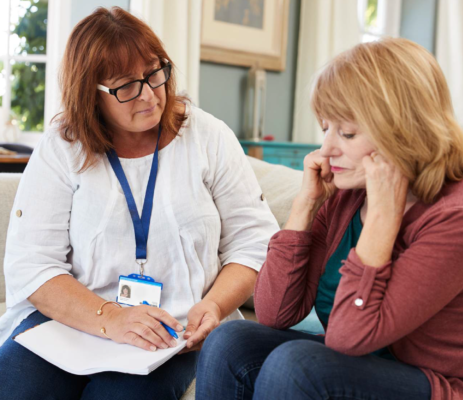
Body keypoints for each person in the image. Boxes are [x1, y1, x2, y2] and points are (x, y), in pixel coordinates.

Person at [0, 6, 278, 400]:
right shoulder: (62, 147)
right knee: (14, 386)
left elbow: (255, 243)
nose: (149, 95)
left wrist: (214, 305)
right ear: (90, 95)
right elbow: (32, 264)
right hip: (72, 324)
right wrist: (111, 318)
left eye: (154, 73)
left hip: (174, 329)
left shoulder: (208, 137)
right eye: (126, 86)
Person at [196, 38, 463, 400]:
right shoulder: (347, 194)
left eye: (347, 133)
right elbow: (275, 313)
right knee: (231, 341)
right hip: (371, 364)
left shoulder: (460, 216)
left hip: (446, 385)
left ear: (401, 131)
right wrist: (304, 207)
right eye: (326, 128)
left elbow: (350, 337)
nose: (326, 149)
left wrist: (384, 217)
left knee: (298, 365)